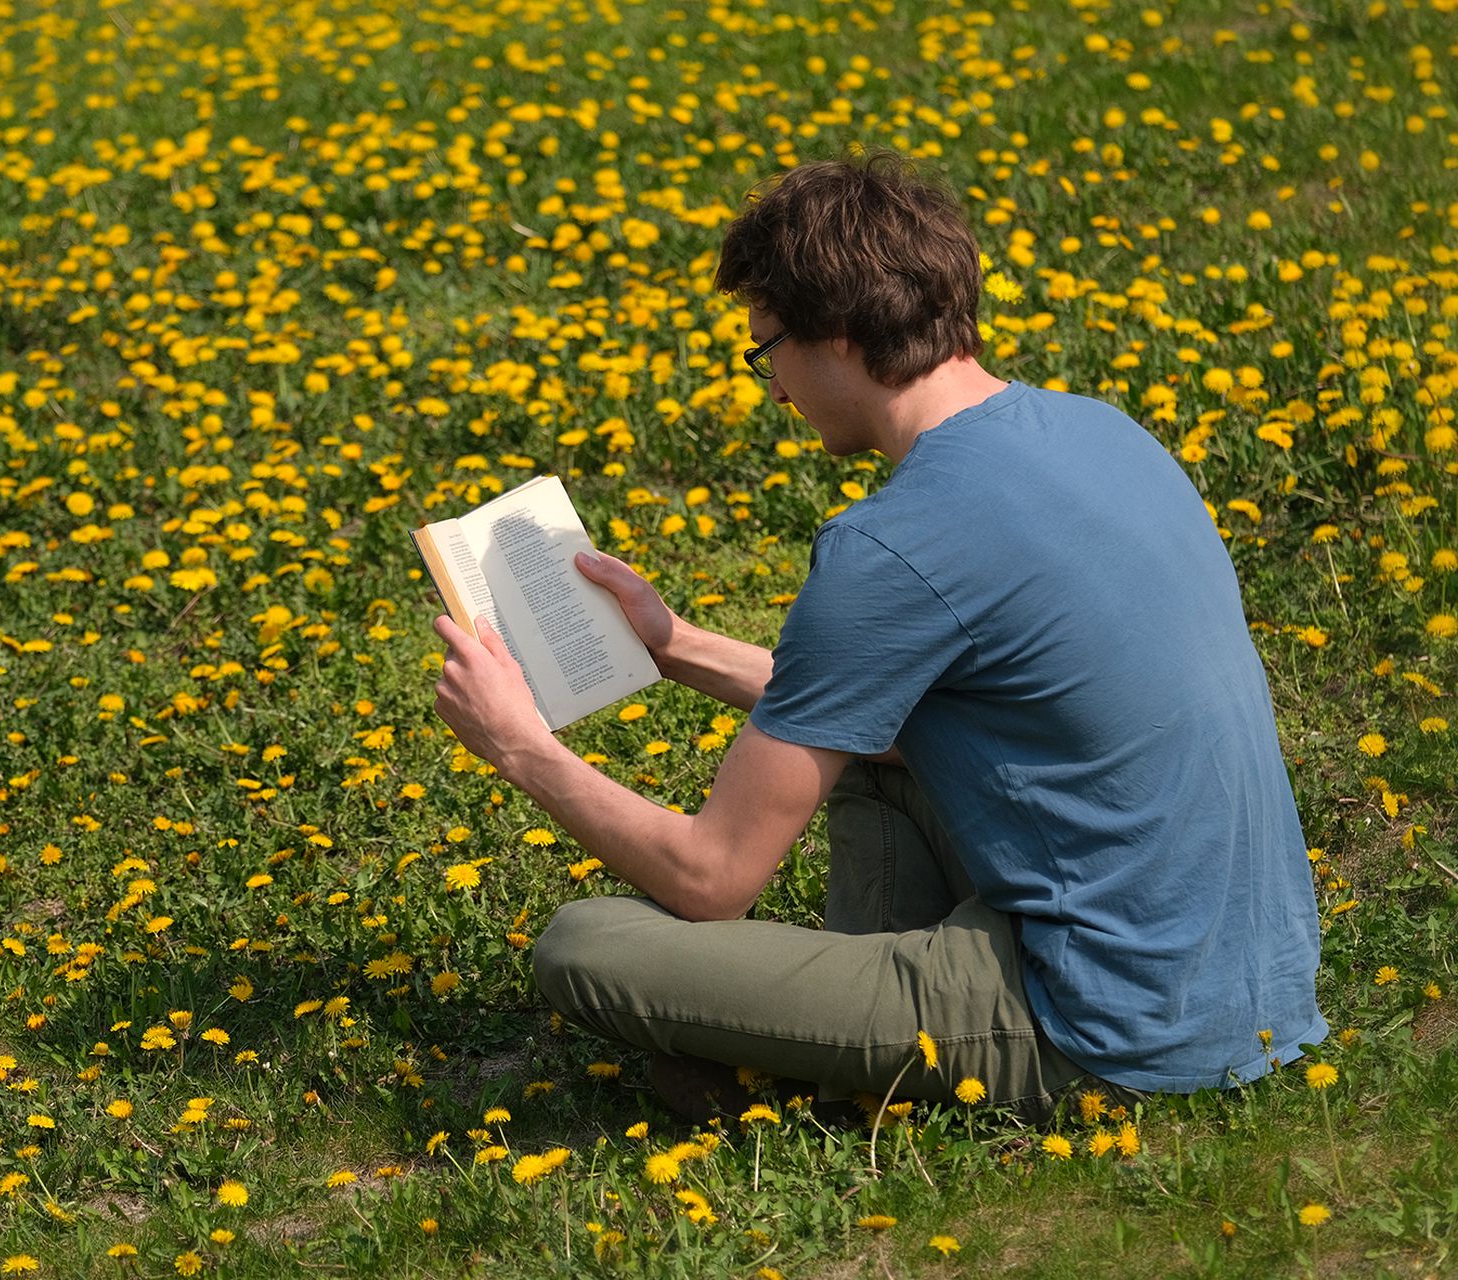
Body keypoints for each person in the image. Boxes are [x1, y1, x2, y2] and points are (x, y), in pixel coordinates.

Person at [429, 149, 1326, 1125]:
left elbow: (711, 876)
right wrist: (673, 642)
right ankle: (846, 1035)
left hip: (1111, 1023)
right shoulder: (1101, 431)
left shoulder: (891, 547)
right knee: (862, 748)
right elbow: (881, 722)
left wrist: (520, 745)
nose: (771, 387)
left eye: (766, 347)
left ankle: (842, 1070)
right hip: (1243, 978)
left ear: (842, 337)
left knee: (583, 943)